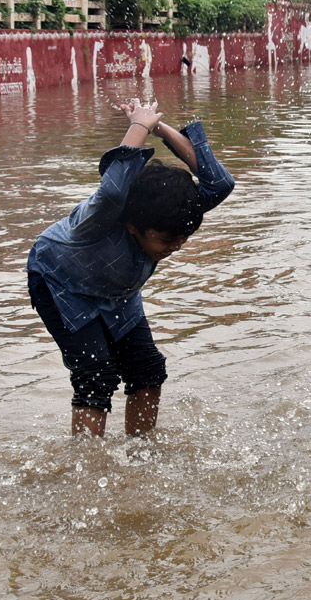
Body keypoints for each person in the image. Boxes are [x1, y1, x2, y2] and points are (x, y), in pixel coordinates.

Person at [26, 100, 235, 437]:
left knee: (147, 367)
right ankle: (88, 468)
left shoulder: (168, 213)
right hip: (60, 282)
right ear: (134, 226)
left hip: (118, 289)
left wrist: (158, 126)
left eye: (182, 238)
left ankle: (141, 451)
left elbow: (219, 184)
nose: (175, 247)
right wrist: (138, 125)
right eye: (166, 240)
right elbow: (111, 189)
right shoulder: (105, 215)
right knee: (96, 374)